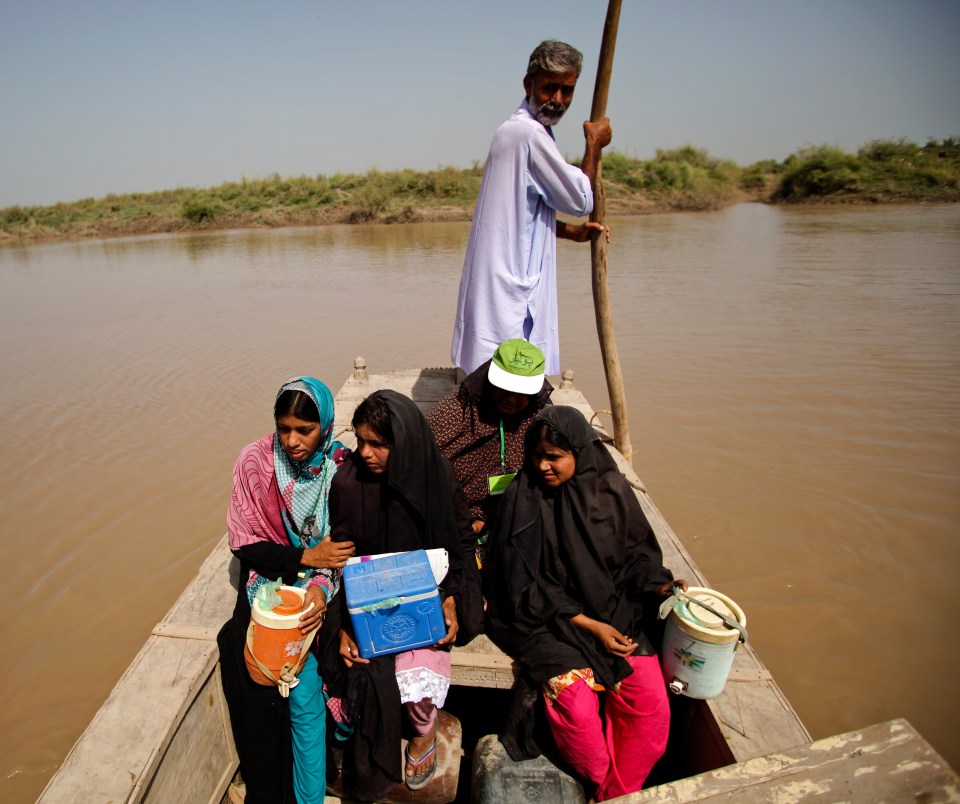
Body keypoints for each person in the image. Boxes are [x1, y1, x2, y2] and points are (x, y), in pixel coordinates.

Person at [483, 406, 687, 801]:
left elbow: (638, 558)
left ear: (579, 453)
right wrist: (590, 626)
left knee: (650, 708)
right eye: (537, 455)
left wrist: (661, 588)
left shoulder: (610, 492)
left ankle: (615, 793)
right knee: (576, 712)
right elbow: (520, 585)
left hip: (615, 610)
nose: (543, 465)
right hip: (545, 620)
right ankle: (602, 783)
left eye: (554, 457)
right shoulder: (521, 499)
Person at [320, 390, 480, 800]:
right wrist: (344, 628)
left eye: (379, 444)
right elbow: (341, 561)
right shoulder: (348, 483)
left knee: (419, 672)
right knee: (358, 667)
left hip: (427, 592)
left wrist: (451, 598)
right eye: (360, 441)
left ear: (404, 443)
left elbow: (460, 541)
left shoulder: (435, 474)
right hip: (366, 599)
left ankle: (424, 736)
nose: (366, 453)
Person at [217, 377, 355, 804]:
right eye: (284, 428)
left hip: (326, 586)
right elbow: (243, 540)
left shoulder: (342, 467)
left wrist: (317, 587)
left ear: (326, 427)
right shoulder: (255, 461)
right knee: (253, 668)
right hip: (269, 579)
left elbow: (343, 547)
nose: (292, 441)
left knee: (314, 686)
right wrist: (302, 558)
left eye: (304, 430)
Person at [451, 39, 613, 376]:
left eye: (566, 91)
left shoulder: (515, 132)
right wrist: (594, 145)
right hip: (510, 284)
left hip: (501, 279)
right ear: (529, 85)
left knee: (502, 372)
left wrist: (571, 232)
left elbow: (522, 216)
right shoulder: (527, 135)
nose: (557, 100)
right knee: (508, 375)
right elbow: (581, 200)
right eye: (549, 88)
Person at [427, 338, 553, 564]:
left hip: (511, 511)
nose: (511, 399)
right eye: (504, 389)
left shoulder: (538, 419)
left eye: (521, 392)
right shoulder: (456, 410)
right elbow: (420, 458)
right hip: (455, 515)